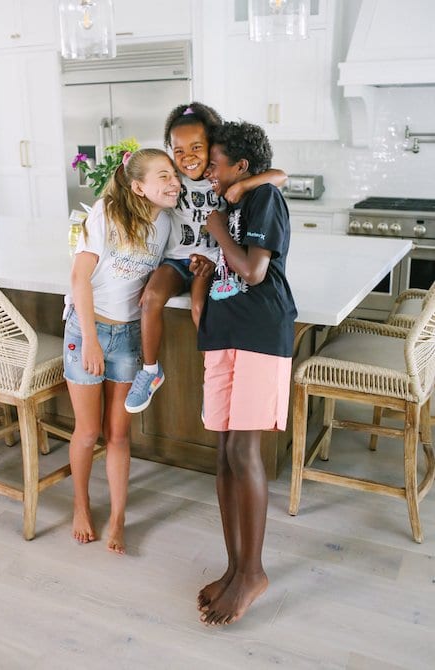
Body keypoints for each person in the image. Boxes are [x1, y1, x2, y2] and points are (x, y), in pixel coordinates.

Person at [196, 121, 297, 625]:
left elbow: (254, 271)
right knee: (222, 454)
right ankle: (235, 568)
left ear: (240, 166)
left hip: (260, 331)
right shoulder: (235, 200)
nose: (208, 173)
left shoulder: (263, 202)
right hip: (224, 332)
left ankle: (254, 572)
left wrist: (216, 230)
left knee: (242, 450)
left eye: (215, 164)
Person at [125, 101, 287, 413]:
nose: (187, 158)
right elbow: (140, 183)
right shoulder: (173, 178)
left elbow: (279, 175)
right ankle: (149, 371)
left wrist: (246, 185)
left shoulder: (223, 178)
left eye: (197, 147)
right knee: (150, 298)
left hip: (210, 261)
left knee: (201, 309)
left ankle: (211, 383)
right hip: (176, 260)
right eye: (179, 150)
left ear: (212, 145)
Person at [63, 148, 181, 554]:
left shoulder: (166, 224)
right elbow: (79, 279)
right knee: (88, 431)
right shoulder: (104, 214)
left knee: (117, 434)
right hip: (87, 331)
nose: (173, 182)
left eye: (175, 175)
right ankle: (81, 506)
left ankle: (117, 517)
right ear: (138, 186)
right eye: (163, 176)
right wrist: (92, 340)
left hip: (129, 337)